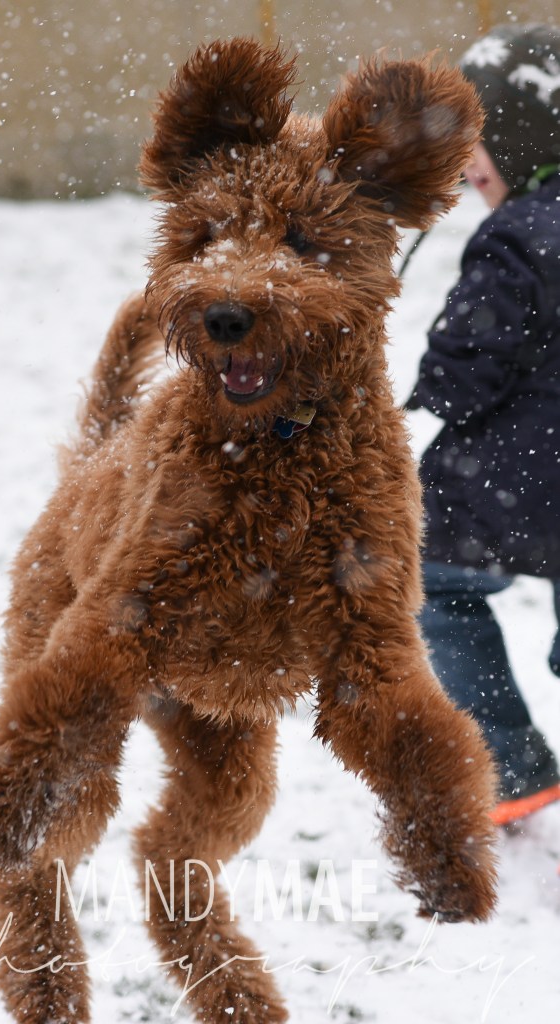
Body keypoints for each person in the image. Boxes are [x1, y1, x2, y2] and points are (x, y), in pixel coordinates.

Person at [406, 23, 560, 826]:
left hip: (523, 476)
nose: (466, 166)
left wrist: (432, 388)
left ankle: (507, 762)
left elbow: (469, 359)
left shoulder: (519, 235)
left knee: (428, 580)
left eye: (476, 146)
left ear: (527, 136)